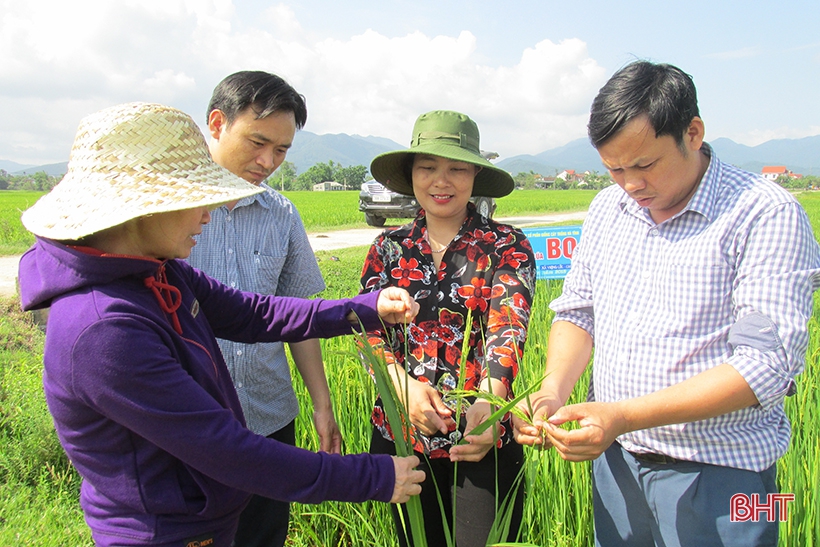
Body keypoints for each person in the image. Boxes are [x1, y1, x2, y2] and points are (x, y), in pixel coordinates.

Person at [17, 102, 425, 547]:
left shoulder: (158, 271)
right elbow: (226, 450)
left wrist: (365, 308)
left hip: (204, 524)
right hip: (162, 533)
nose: (206, 215)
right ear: (141, 208)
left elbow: (255, 313)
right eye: (195, 201)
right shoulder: (103, 328)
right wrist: (371, 476)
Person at [513, 61, 820, 547]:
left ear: (693, 133)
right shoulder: (607, 210)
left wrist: (625, 415)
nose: (630, 184)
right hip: (619, 466)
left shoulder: (764, 213)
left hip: (723, 476)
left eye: (645, 165)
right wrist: (552, 391)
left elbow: (766, 366)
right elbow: (579, 312)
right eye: (614, 169)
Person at [360, 110, 535, 547]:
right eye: (428, 168)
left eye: (457, 168)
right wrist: (402, 389)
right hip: (400, 439)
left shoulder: (506, 246)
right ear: (411, 174)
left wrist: (490, 403)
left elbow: (508, 327)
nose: (442, 181)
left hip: (481, 438)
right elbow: (367, 333)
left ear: (475, 173)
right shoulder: (387, 248)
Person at [186, 71, 331, 547]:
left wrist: (321, 403)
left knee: (263, 537)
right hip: (188, 423)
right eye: (257, 142)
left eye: (282, 150)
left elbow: (298, 315)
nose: (267, 161)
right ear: (216, 123)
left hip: (268, 418)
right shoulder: (168, 209)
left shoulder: (282, 213)